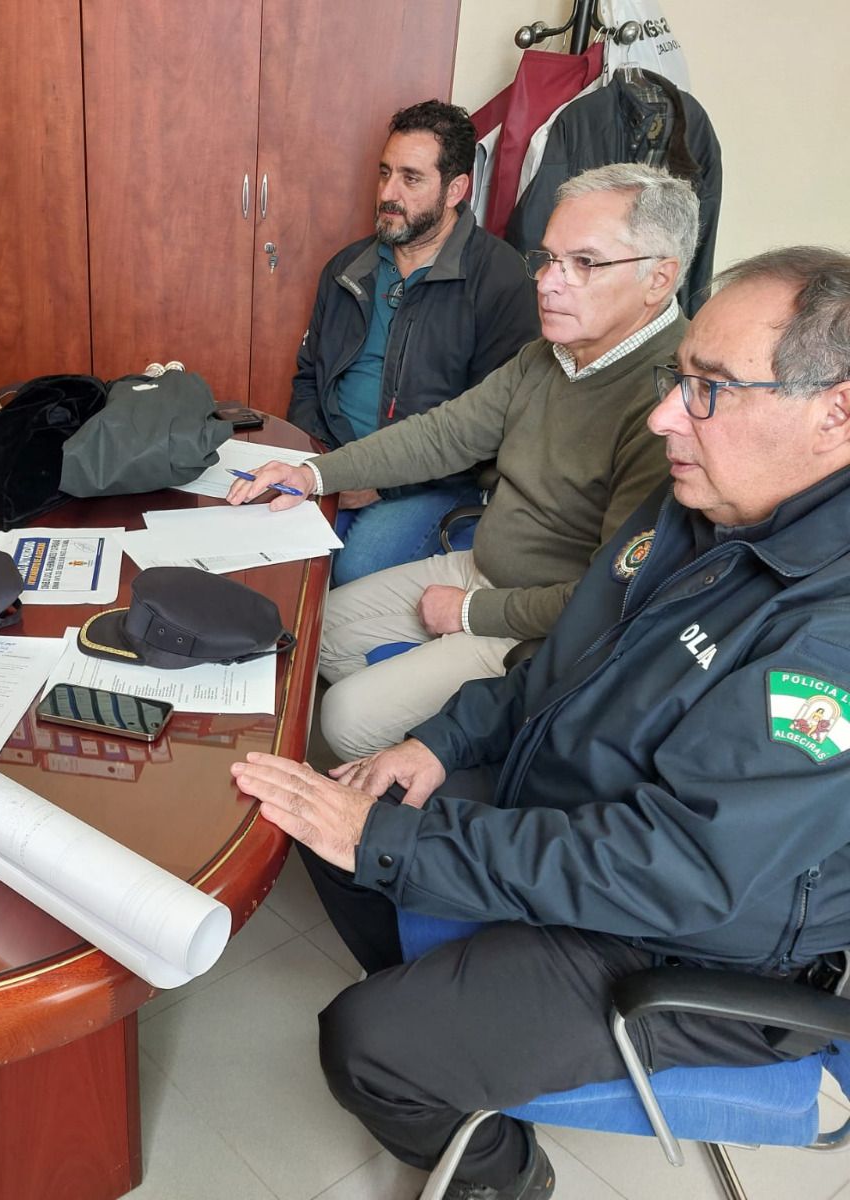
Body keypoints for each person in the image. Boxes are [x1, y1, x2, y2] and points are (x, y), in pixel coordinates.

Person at [230, 246, 850, 1200]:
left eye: (710, 391)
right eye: (675, 380)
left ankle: (502, 1175)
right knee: (337, 801)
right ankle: (458, 1009)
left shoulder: (830, 639)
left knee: (366, 1043)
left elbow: (679, 872)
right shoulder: (702, 506)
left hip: (690, 937)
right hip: (586, 816)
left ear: (835, 413)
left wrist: (404, 844)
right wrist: (434, 744)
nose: (662, 418)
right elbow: (555, 669)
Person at [230, 163, 696, 758]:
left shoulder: (670, 408)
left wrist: (474, 614)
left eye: (584, 263)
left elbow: (611, 599)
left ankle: (451, 754)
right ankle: (431, 727)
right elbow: (442, 434)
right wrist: (315, 472)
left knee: (345, 719)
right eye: (548, 259)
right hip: (482, 566)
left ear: (659, 278)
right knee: (312, 632)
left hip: (537, 622)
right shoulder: (550, 355)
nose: (549, 283)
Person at [289, 100, 538, 587]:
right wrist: (318, 461)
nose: (387, 192)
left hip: (426, 481)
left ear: (456, 189)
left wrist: (380, 482)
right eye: (384, 173)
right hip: (334, 459)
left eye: (411, 178)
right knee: (278, 551)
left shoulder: (501, 280)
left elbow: (499, 428)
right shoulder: (346, 268)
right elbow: (307, 377)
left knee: (351, 571)